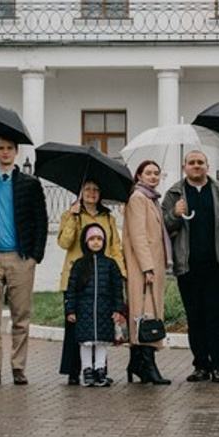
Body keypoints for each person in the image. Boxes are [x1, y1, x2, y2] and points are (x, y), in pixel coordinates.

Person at [163, 151, 219, 383]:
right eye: (192, 163)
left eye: (200, 162)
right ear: (184, 167)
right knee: (195, 317)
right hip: (188, 266)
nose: (196, 166)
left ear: (207, 166)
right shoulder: (174, 194)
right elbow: (163, 227)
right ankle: (201, 365)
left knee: (217, 317)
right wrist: (174, 214)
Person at [0, 137, 48, 386]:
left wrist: (35, 256)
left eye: (9, 148)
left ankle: (18, 367)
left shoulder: (30, 184)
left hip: (21, 258)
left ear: (16, 152)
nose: (5, 152)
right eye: (1, 148)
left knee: (21, 316)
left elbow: (41, 220)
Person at [56, 180, 125, 386]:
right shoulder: (70, 215)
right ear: (81, 192)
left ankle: (99, 371)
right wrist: (73, 216)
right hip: (78, 278)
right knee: (76, 327)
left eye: (96, 189)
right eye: (87, 189)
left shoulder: (108, 217)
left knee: (101, 326)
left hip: (102, 278)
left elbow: (115, 247)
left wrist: (121, 273)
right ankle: (74, 371)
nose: (92, 193)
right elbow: (64, 242)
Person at [123, 159, 172, 385]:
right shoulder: (138, 198)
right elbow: (138, 236)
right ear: (139, 176)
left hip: (153, 266)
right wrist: (147, 267)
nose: (153, 176)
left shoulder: (151, 199)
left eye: (156, 173)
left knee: (145, 314)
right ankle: (147, 365)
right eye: (148, 173)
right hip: (143, 268)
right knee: (146, 315)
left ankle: (136, 363)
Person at [63, 224, 127, 387]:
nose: (96, 242)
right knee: (85, 342)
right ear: (85, 242)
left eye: (99, 239)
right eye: (92, 239)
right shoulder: (79, 265)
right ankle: (87, 371)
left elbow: (117, 288)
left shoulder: (111, 265)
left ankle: (100, 370)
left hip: (104, 310)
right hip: (84, 310)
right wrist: (70, 309)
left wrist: (118, 309)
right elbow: (71, 289)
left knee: (101, 342)